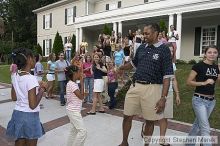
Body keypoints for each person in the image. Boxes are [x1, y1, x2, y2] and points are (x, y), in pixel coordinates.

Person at [118, 23, 173, 146]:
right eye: (143, 33)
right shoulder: (142, 47)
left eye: (147, 33)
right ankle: (124, 142)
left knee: (150, 120)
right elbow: (133, 64)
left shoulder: (164, 50)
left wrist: (163, 98)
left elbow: (167, 75)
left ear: (156, 34)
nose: (144, 36)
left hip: (153, 88)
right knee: (127, 115)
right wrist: (121, 67)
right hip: (135, 86)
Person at [6, 48, 47, 146]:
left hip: (17, 114)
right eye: (33, 58)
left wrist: (36, 84)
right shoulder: (31, 78)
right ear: (28, 59)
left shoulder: (14, 75)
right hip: (30, 116)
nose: (34, 60)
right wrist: (42, 90)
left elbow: (14, 97)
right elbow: (32, 105)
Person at [186, 45, 219, 146]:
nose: (212, 54)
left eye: (215, 52)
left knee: (197, 125)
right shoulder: (198, 66)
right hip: (199, 100)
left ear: (217, 54)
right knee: (205, 128)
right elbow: (189, 82)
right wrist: (203, 83)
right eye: (209, 52)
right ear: (205, 54)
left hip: (211, 101)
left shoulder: (216, 67)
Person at [157, 43, 181, 146]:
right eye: (168, 50)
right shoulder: (156, 62)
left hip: (169, 93)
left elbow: (174, 80)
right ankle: (146, 127)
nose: (170, 53)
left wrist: (177, 94)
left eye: (172, 51)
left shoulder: (173, 65)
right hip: (156, 92)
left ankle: (162, 139)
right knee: (152, 116)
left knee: (164, 117)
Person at [65, 65, 87, 146]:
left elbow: (80, 96)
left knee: (74, 130)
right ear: (74, 73)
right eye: (79, 72)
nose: (80, 73)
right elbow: (81, 97)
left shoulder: (71, 83)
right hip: (73, 111)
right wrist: (82, 81)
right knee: (83, 132)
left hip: (72, 110)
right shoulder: (72, 84)